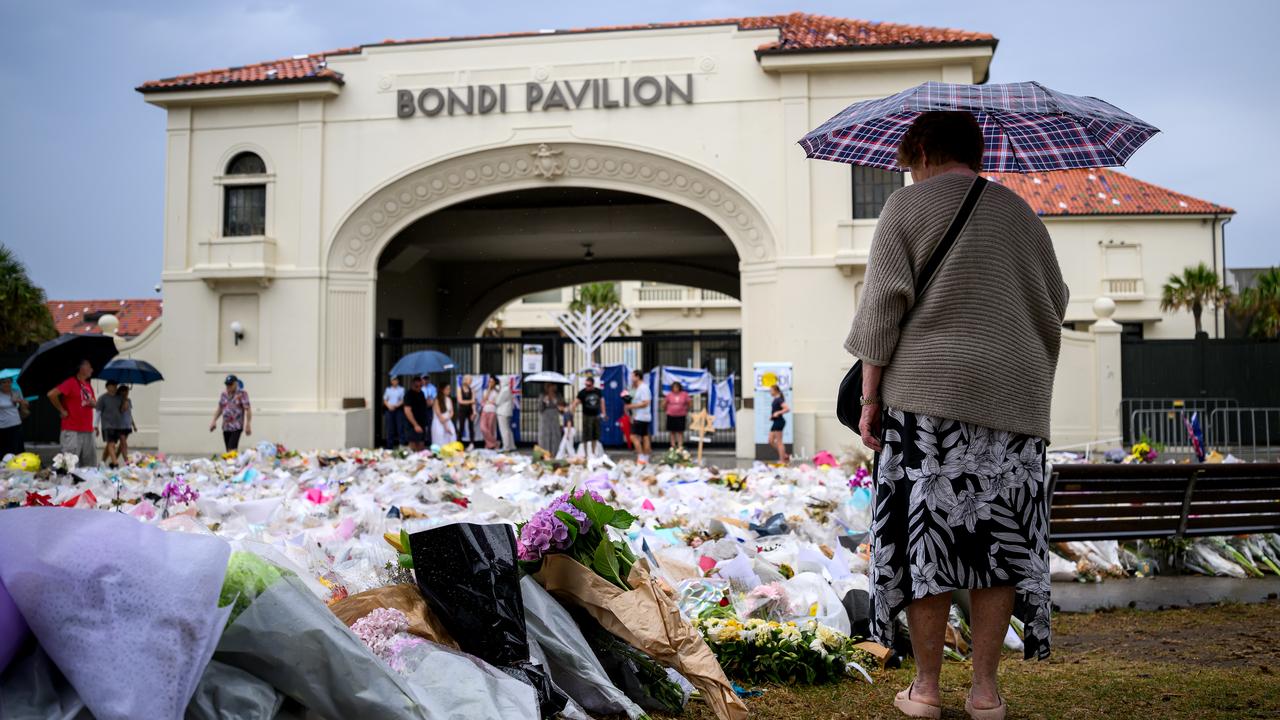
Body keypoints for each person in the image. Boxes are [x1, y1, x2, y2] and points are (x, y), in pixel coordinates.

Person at [844, 111, 1068, 720]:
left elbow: (881, 313)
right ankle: (987, 693)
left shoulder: (905, 208)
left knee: (928, 545)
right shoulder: (1021, 213)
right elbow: (1057, 298)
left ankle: (925, 689)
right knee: (998, 543)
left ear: (918, 149)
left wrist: (870, 401)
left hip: (927, 404)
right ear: (977, 150)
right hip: (1014, 406)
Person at [47, 359, 96, 468]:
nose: (92, 369)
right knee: (69, 465)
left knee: (89, 465)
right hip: (72, 429)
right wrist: (61, 410)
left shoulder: (88, 385)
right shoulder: (70, 382)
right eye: (89, 366)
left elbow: (94, 404)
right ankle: (66, 485)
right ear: (81, 368)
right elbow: (51, 394)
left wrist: (93, 403)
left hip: (88, 429)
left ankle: (86, 484)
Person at [209, 375, 252, 452]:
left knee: (231, 449)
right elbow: (220, 408)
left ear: (235, 384)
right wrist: (214, 420)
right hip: (226, 427)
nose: (228, 386)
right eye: (227, 384)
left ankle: (233, 462)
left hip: (237, 427)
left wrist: (248, 424)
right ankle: (233, 463)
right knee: (229, 451)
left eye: (230, 384)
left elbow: (248, 409)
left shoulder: (242, 394)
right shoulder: (224, 394)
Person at [571, 375, 606, 459]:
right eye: (586, 385)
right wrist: (572, 412)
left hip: (596, 415)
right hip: (586, 416)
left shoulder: (598, 391)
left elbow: (602, 402)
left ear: (593, 385)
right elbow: (575, 403)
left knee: (595, 435)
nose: (587, 387)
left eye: (589, 385)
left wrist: (604, 413)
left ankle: (593, 453)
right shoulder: (582, 392)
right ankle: (586, 454)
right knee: (586, 436)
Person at [623, 370, 652, 462]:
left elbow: (646, 402)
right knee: (644, 436)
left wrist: (631, 406)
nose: (631, 378)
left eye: (633, 376)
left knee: (633, 437)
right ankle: (645, 458)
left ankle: (641, 457)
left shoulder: (643, 388)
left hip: (641, 416)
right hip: (640, 416)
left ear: (638, 377)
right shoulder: (638, 388)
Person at [0, 375, 29, 457]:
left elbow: (25, 409)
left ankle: (17, 467)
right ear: (0, 383)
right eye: (4, 382)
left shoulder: (16, 391)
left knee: (16, 450)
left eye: (9, 382)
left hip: (16, 424)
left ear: (11, 383)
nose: (6, 384)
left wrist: (20, 401)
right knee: (3, 451)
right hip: (2, 426)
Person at [95, 381, 123, 467]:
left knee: (110, 444)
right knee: (112, 444)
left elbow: (122, 410)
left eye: (115, 386)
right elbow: (98, 412)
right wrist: (95, 426)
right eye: (112, 386)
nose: (114, 388)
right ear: (107, 387)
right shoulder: (102, 398)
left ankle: (102, 461)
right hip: (107, 425)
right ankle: (115, 463)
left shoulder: (119, 398)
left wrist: (125, 400)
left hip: (118, 425)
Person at [403, 376, 429, 452]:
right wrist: (415, 425)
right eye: (416, 386)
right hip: (412, 424)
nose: (419, 388)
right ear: (412, 385)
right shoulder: (408, 394)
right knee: (413, 446)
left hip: (422, 423)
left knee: (421, 446)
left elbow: (424, 406)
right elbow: (407, 410)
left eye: (421, 386)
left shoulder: (422, 393)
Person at [662, 380, 690, 450]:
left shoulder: (684, 394)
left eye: (677, 387)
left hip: (681, 415)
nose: (675, 389)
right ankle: (673, 445)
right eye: (674, 387)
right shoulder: (669, 395)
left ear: (679, 388)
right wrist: (666, 410)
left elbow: (689, 402)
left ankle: (680, 446)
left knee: (680, 431)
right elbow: (664, 404)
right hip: (671, 415)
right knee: (672, 431)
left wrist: (686, 409)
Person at [767, 383, 790, 464]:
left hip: (779, 422)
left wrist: (778, 413)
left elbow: (787, 409)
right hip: (775, 421)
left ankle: (782, 460)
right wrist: (772, 416)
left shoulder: (779, 399)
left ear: (775, 391)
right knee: (770, 440)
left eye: (771, 390)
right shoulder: (775, 399)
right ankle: (784, 455)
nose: (770, 392)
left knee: (779, 441)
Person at [113, 385, 137, 462]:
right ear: (121, 391)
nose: (127, 393)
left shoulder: (129, 400)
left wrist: (134, 425)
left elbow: (130, 414)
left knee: (122, 446)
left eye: (127, 391)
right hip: (120, 426)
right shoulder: (117, 400)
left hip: (127, 425)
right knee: (124, 444)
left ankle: (114, 460)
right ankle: (127, 462)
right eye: (125, 391)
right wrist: (123, 404)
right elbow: (119, 412)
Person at [536, 384, 562, 454]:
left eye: (553, 386)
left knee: (555, 436)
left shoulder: (558, 395)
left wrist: (556, 403)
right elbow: (540, 408)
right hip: (545, 418)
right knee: (545, 436)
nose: (553, 387)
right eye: (551, 386)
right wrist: (544, 402)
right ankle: (545, 453)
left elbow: (561, 406)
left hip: (554, 418)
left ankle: (554, 453)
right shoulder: (542, 395)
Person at [431, 382, 458, 447]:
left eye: (449, 389)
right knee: (440, 440)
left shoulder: (449, 399)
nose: (449, 391)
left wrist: (447, 418)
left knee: (452, 437)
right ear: (442, 390)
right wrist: (445, 426)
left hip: (448, 421)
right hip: (439, 423)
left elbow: (452, 412)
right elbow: (439, 414)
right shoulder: (436, 400)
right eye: (447, 389)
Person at [383, 375, 406, 448]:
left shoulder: (402, 389)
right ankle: (389, 447)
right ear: (391, 381)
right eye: (393, 380)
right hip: (389, 410)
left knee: (400, 428)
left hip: (398, 409)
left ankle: (401, 446)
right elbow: (385, 400)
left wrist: (396, 405)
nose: (394, 381)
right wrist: (389, 406)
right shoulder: (388, 389)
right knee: (390, 429)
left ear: (398, 381)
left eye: (396, 380)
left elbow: (403, 400)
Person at [495, 377, 516, 451]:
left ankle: (506, 447)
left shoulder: (504, 390)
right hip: (506, 412)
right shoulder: (507, 389)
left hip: (502, 412)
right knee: (508, 430)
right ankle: (512, 446)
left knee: (504, 430)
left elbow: (497, 401)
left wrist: (498, 392)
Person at [479, 376, 500, 450]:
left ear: (494, 383)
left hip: (492, 411)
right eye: (489, 381)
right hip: (485, 410)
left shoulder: (497, 391)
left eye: (491, 381)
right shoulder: (485, 390)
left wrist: (490, 402)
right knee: (483, 428)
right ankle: (494, 443)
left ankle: (488, 445)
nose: (490, 383)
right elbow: (484, 399)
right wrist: (488, 389)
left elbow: (496, 402)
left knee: (490, 429)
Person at [456, 375, 476, 449]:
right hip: (462, 410)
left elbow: (473, 403)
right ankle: (459, 443)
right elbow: (460, 401)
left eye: (471, 380)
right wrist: (471, 401)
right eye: (470, 380)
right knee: (461, 426)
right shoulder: (459, 389)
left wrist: (474, 412)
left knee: (471, 427)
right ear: (465, 380)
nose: (471, 382)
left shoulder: (472, 390)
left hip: (469, 410)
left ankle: (472, 443)